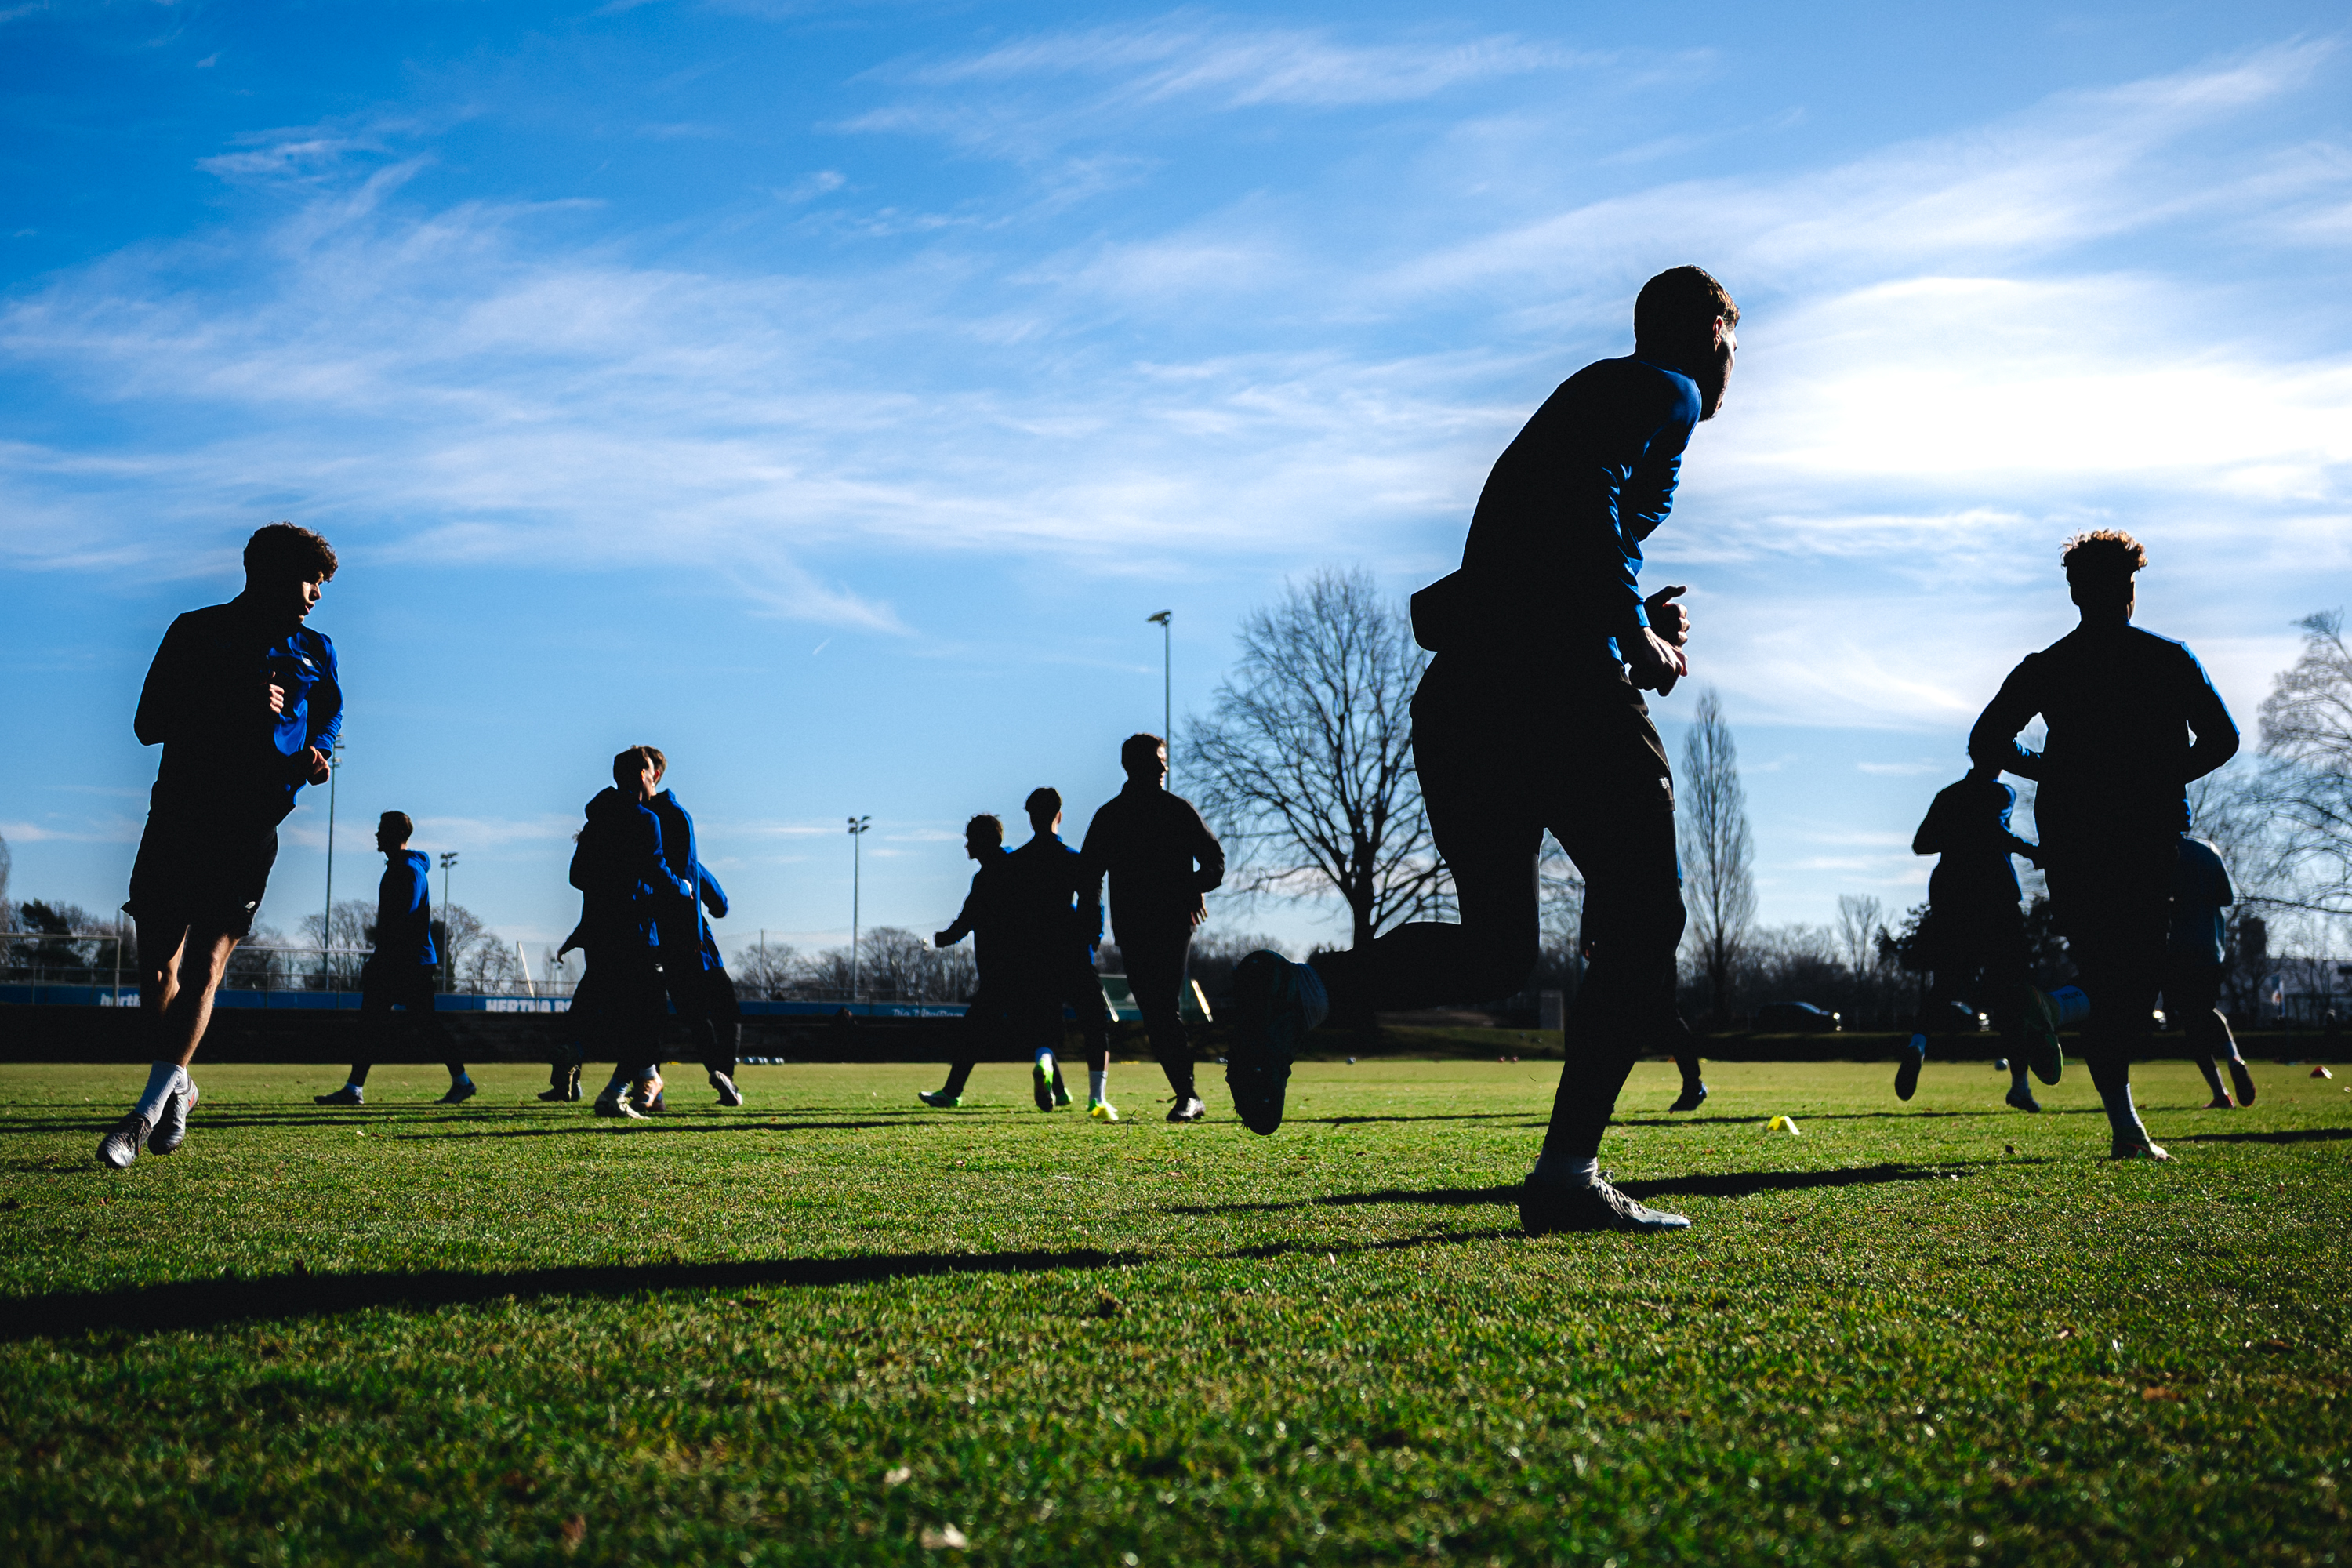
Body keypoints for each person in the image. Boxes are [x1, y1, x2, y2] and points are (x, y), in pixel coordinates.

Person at [1221, 267, 1739, 1233]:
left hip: (1466, 696)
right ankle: (1566, 1174)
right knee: (1646, 910)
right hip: (1554, 685)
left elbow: (1549, 537)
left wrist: (1626, 608)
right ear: (1709, 330)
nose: (1733, 373)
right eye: (1734, 349)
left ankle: (1300, 988)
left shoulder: (1593, 395)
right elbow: (1587, 502)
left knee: (1498, 949)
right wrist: (1631, 633)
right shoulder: (1663, 388)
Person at [1970, 531, 2239, 1160]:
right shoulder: (2169, 658)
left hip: (2070, 834)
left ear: (2073, 592)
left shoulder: (2047, 665)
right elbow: (2222, 739)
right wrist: (2164, 773)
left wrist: (2049, 771)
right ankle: (2066, 1021)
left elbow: (1986, 743)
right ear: (2130, 589)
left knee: (2103, 966)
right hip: (2144, 832)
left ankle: (2122, 1120)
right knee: (2135, 978)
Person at [100, 523, 343, 1170]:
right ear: (264, 572)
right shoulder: (193, 630)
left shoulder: (318, 650)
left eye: (323, 583)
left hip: (249, 825)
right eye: (310, 578)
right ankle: (181, 1082)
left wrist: (318, 756)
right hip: (179, 815)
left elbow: (328, 720)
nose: (317, 593)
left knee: (207, 965)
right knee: (158, 972)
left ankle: (142, 1116)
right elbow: (147, 724)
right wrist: (226, 697)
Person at [1896, 761, 2061, 1111]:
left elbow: (1921, 844)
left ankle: (1918, 1043)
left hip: (1949, 893)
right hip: (1994, 895)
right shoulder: (2002, 792)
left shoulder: (1948, 795)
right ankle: (2020, 1086)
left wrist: (1956, 838)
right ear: (2000, 761)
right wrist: (2033, 850)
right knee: (2011, 990)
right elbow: (1996, 832)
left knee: (1945, 983)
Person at [1079, 735, 1223, 1123]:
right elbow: (1089, 873)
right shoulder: (1111, 816)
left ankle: (1188, 1097)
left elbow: (1214, 862)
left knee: (1161, 1008)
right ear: (1132, 767)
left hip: (1174, 924)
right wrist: (1091, 917)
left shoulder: (1177, 810)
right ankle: (1188, 1095)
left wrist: (1193, 886)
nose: (1164, 768)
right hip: (1132, 925)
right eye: (1157, 762)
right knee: (1155, 1011)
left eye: (1164, 761)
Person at [565, 746, 694, 1120]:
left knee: (624, 1014)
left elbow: (577, 877)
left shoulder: (596, 821)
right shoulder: (645, 820)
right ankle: (615, 1091)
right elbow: (656, 870)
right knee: (647, 1016)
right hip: (635, 930)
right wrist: (680, 887)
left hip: (599, 930)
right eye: (652, 772)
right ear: (643, 775)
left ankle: (611, 1072)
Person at [314, 811, 470, 1106]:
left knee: (408, 1024)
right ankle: (354, 1088)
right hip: (405, 961)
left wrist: (383, 956)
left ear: (395, 834)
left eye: (381, 830)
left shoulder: (408, 870)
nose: (376, 835)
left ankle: (356, 1089)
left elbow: (403, 919)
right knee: (388, 1024)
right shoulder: (404, 867)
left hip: (405, 963)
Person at [921, 815, 1070, 1110]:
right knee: (1035, 1032)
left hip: (998, 973)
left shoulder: (987, 876)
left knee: (972, 1033)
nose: (966, 846)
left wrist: (942, 938)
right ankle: (1061, 1092)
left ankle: (952, 1092)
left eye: (969, 839)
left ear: (981, 842)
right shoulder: (1020, 867)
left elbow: (967, 920)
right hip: (1030, 967)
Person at [1004, 787, 1120, 1120]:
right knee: (1094, 1022)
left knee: (1045, 1019)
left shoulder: (1017, 863)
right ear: (1060, 814)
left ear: (1030, 816)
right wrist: (1093, 938)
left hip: (1033, 949)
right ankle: (1097, 1099)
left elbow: (1006, 913)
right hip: (1071, 945)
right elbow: (1091, 901)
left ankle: (1043, 1061)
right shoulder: (1073, 858)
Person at [645, 750, 746, 1108]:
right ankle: (724, 1074)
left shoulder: (628, 819)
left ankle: (651, 1089)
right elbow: (692, 873)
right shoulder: (671, 817)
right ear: (656, 774)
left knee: (682, 1015)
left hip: (652, 934)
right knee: (726, 1011)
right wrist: (715, 904)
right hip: (689, 937)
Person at [2165, 833, 2256, 1109]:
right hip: (2210, 945)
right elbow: (2226, 897)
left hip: (2177, 946)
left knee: (2192, 1021)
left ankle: (2220, 1093)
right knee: (2206, 1009)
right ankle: (2234, 1057)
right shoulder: (2208, 850)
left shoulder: (2157, 854)